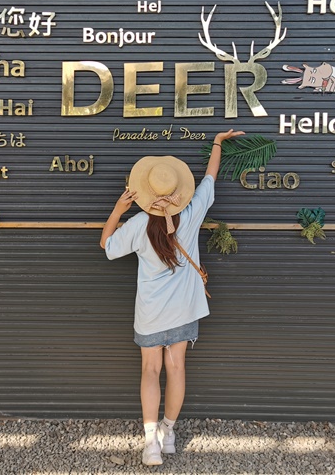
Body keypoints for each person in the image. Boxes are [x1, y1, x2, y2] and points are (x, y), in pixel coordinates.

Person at [100, 129, 245, 466]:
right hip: (184, 310)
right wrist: (218, 142)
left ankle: (150, 444)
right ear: (178, 191)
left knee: (150, 371)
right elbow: (210, 177)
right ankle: (168, 434)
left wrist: (118, 209)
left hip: (150, 312)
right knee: (176, 367)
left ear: (145, 192)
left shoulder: (138, 223)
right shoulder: (191, 215)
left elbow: (106, 246)